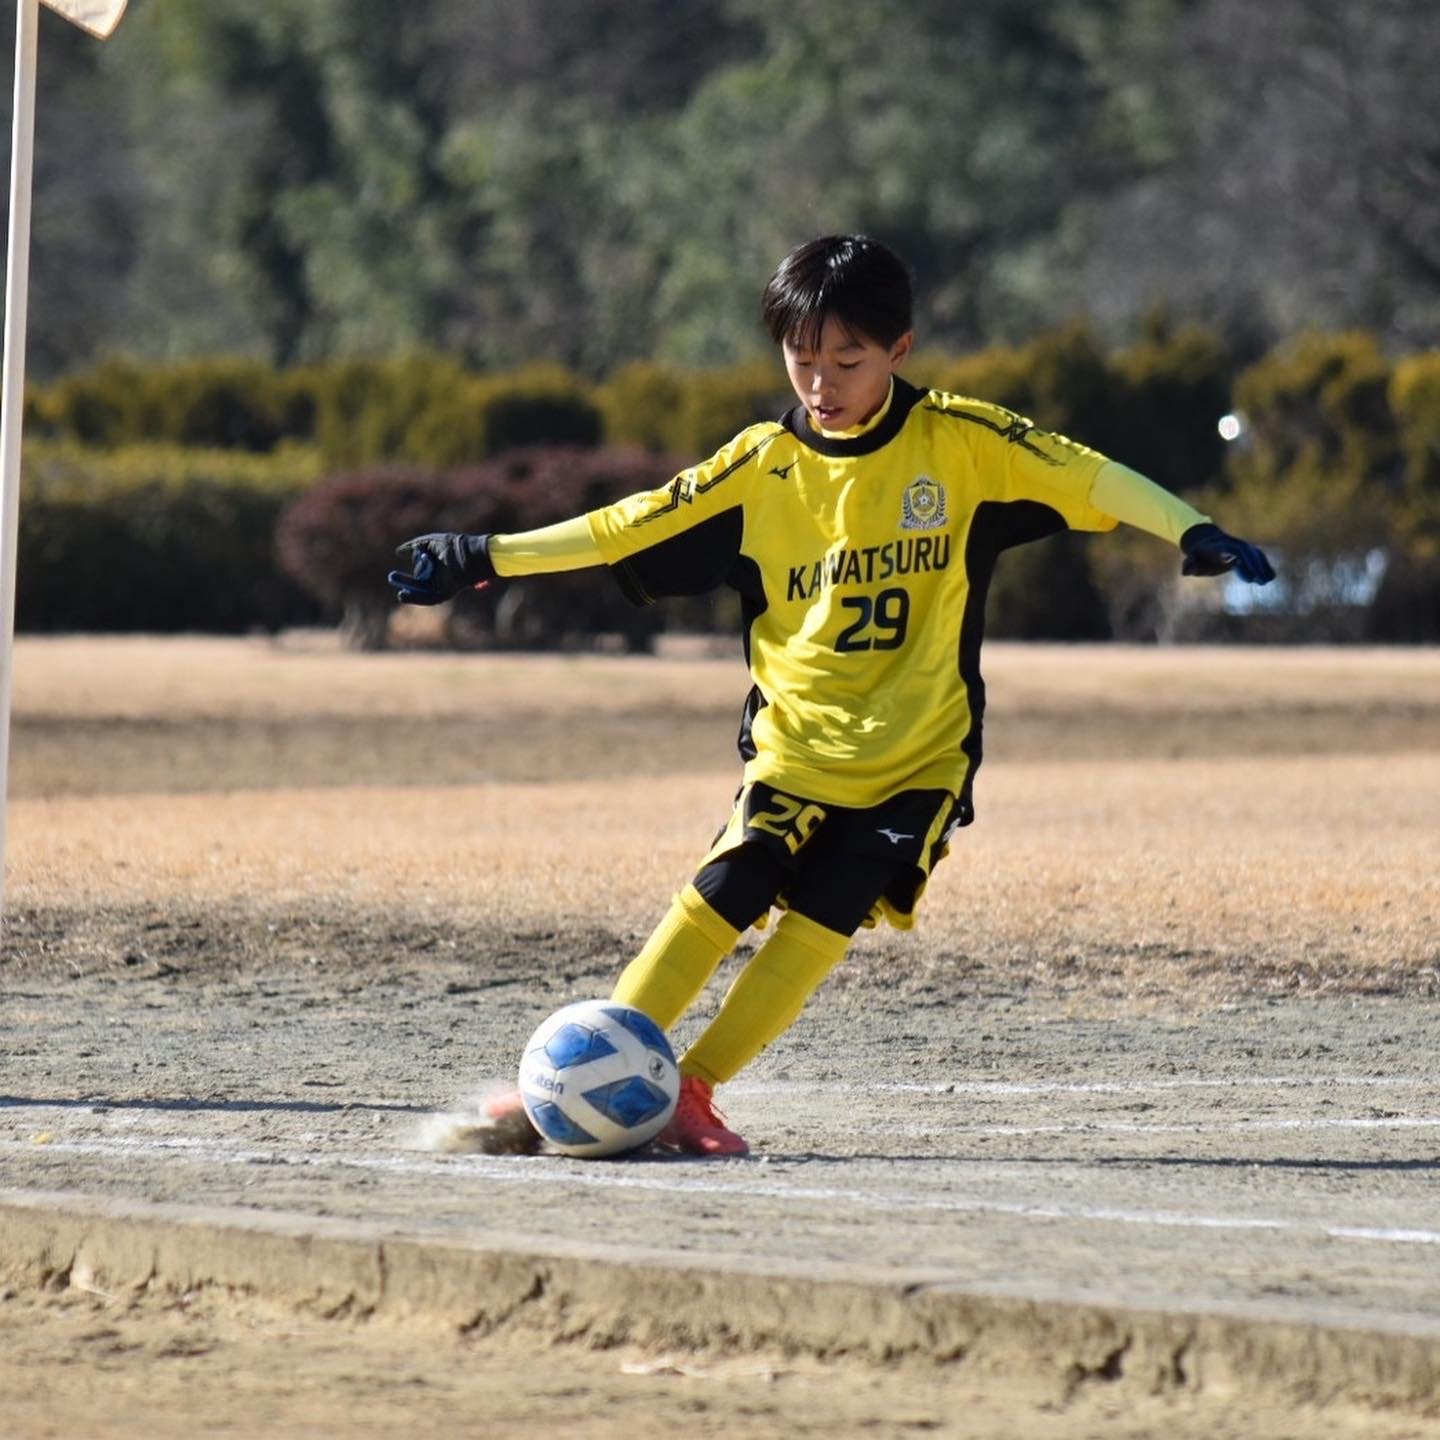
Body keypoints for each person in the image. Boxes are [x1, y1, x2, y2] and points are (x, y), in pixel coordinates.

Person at [388, 234, 1274, 1159]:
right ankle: (561, 1087)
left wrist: (1192, 529)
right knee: (727, 890)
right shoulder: (761, 464)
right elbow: (621, 528)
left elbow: (1089, 473)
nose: (822, 383)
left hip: (920, 758)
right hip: (798, 746)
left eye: (847, 361)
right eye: (802, 361)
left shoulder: (965, 444)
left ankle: (693, 1088)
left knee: (824, 921)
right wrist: (483, 556)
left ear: (900, 350)